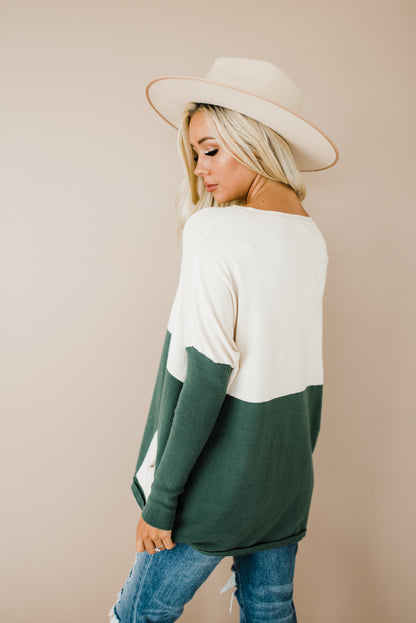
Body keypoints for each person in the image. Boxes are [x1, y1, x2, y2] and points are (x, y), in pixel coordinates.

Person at [108, 57, 338, 623]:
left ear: (254, 141)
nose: (199, 169)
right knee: (269, 610)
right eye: (195, 154)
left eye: (211, 150)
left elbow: (206, 375)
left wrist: (162, 502)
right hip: (284, 482)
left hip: (213, 487)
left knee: (137, 615)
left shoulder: (215, 230)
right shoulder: (310, 236)